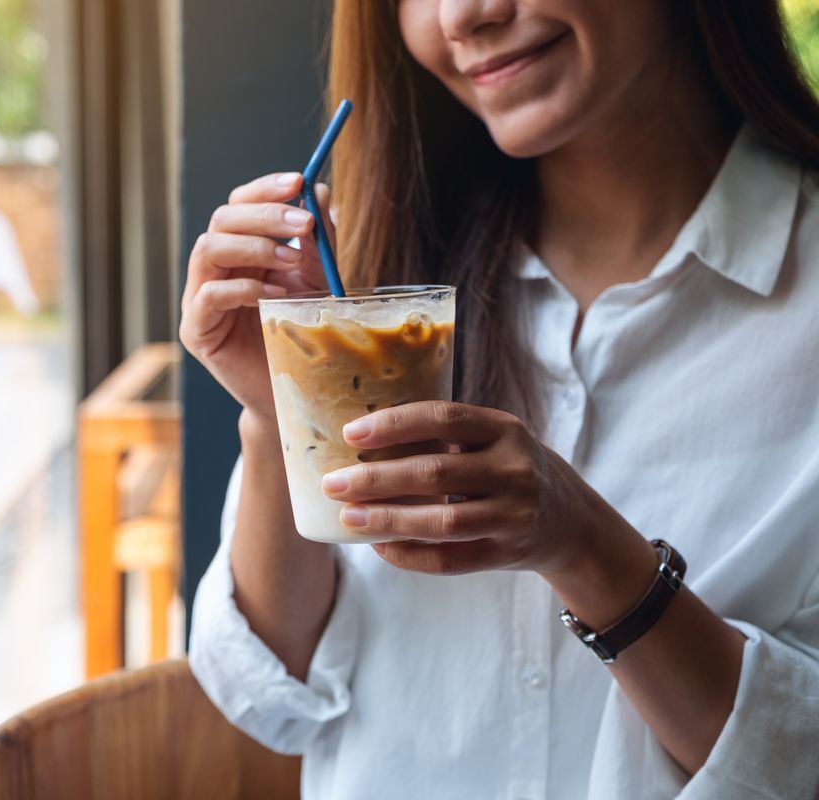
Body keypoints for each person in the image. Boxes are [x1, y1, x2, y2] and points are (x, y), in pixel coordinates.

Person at [179, 1, 819, 798]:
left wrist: (588, 549)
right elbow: (271, 697)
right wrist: (282, 414)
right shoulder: (374, 286)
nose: (463, 15)